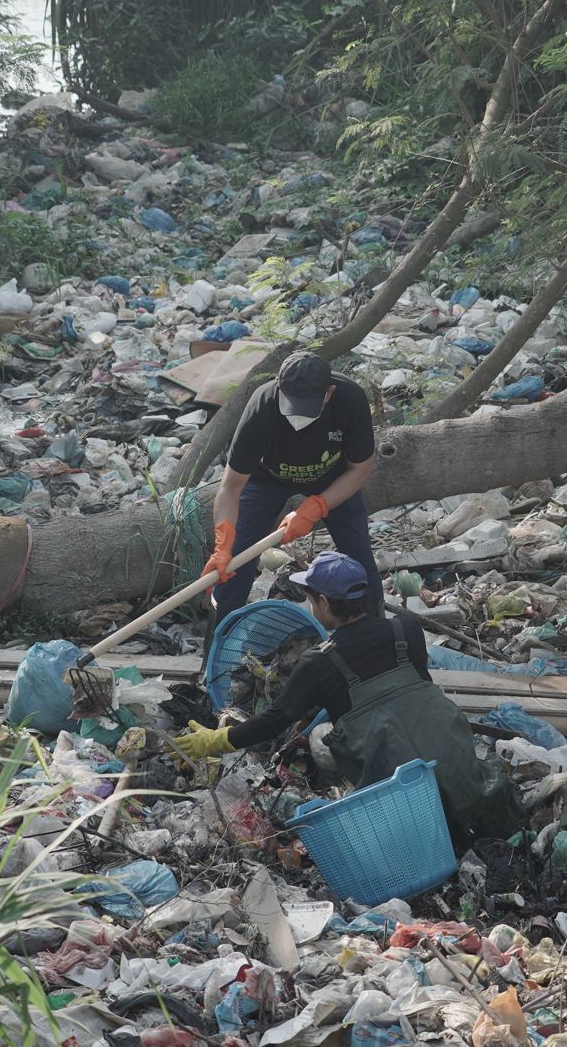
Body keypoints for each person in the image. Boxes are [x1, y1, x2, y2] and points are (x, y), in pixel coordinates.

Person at [172, 551, 524, 845]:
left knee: (329, 740)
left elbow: (275, 720)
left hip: (400, 783)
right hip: (453, 753)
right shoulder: (407, 629)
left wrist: (219, 739)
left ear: (323, 602)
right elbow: (415, 690)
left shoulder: (319, 661)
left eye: (311, 598)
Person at [202, 351, 383, 622]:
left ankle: (374, 634)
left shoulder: (350, 400)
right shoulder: (261, 407)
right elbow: (231, 486)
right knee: (234, 562)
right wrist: (223, 540)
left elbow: (361, 469)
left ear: (329, 393)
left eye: (307, 407)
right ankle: (221, 646)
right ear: (279, 386)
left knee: (358, 559)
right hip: (267, 480)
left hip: (333, 478)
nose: (298, 417)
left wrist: (316, 506)